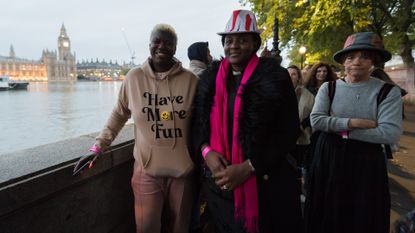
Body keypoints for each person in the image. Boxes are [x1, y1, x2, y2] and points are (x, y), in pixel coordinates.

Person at [73, 24, 198, 233]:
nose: (162, 46)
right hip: (146, 171)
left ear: (175, 48)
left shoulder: (191, 81)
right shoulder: (133, 78)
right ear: (149, 44)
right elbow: (119, 114)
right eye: (157, 41)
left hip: (183, 174)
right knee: (146, 228)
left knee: (180, 228)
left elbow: (204, 122)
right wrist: (97, 148)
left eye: (168, 43)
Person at [193, 10, 302, 233]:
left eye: (242, 40)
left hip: (264, 186)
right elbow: (197, 125)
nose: (234, 45)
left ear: (255, 44)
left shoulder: (275, 77)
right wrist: (206, 152)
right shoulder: (209, 80)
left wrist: (249, 167)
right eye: (229, 40)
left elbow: (289, 131)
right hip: (219, 188)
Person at [304, 32, 403, 233]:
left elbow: (389, 134)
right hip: (328, 160)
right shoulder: (328, 88)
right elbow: (317, 120)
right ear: (342, 62)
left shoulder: (388, 92)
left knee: (361, 215)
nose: (357, 62)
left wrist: (338, 129)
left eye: (364, 56)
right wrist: (354, 123)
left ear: (373, 61)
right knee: (326, 213)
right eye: (350, 57)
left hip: (366, 164)